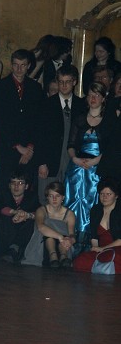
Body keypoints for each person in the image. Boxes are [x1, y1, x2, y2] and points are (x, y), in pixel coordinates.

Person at [0, 49, 44, 197]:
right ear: (11, 65)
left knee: (27, 189)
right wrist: (17, 146)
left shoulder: (35, 88)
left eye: (23, 65)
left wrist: (30, 147)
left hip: (29, 149)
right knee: (6, 188)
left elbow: (38, 121)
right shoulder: (0, 87)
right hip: (7, 147)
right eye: (16, 65)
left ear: (29, 66)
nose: (19, 69)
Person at [64, 82, 110, 246]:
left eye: (97, 95)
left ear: (103, 99)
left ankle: (90, 239)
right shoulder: (79, 119)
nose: (93, 98)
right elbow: (70, 145)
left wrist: (95, 161)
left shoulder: (108, 120)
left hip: (97, 167)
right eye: (90, 95)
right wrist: (75, 159)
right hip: (77, 166)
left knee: (92, 201)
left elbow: (111, 147)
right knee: (74, 199)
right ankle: (71, 236)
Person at [35, 65, 86, 203]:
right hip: (50, 161)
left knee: (70, 200)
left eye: (67, 81)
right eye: (61, 81)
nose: (64, 85)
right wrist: (41, 163)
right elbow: (39, 136)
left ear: (74, 82)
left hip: (73, 162)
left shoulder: (82, 105)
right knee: (46, 199)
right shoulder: (46, 105)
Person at [22, 181, 76, 268]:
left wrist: (70, 240)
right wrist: (60, 237)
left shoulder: (69, 214)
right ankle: (53, 256)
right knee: (48, 224)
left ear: (63, 197)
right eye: (51, 196)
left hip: (64, 246)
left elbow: (72, 234)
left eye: (57, 196)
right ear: (47, 197)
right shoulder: (41, 210)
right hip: (42, 246)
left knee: (65, 234)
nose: (54, 199)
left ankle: (63, 257)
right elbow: (41, 227)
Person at [74, 178, 121, 273]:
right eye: (102, 194)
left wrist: (103, 248)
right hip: (101, 250)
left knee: (114, 257)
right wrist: (96, 249)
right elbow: (94, 236)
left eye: (108, 194)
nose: (104, 197)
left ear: (116, 196)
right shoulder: (96, 210)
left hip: (117, 247)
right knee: (79, 261)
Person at [0, 169, 39, 262]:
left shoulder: (32, 197)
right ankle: (9, 250)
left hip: (23, 233)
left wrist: (27, 215)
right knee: (4, 218)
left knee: (31, 222)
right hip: (6, 234)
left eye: (20, 183)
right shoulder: (4, 195)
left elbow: (40, 212)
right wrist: (15, 212)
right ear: (9, 185)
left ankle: (15, 248)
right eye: (13, 183)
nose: (16, 186)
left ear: (26, 186)